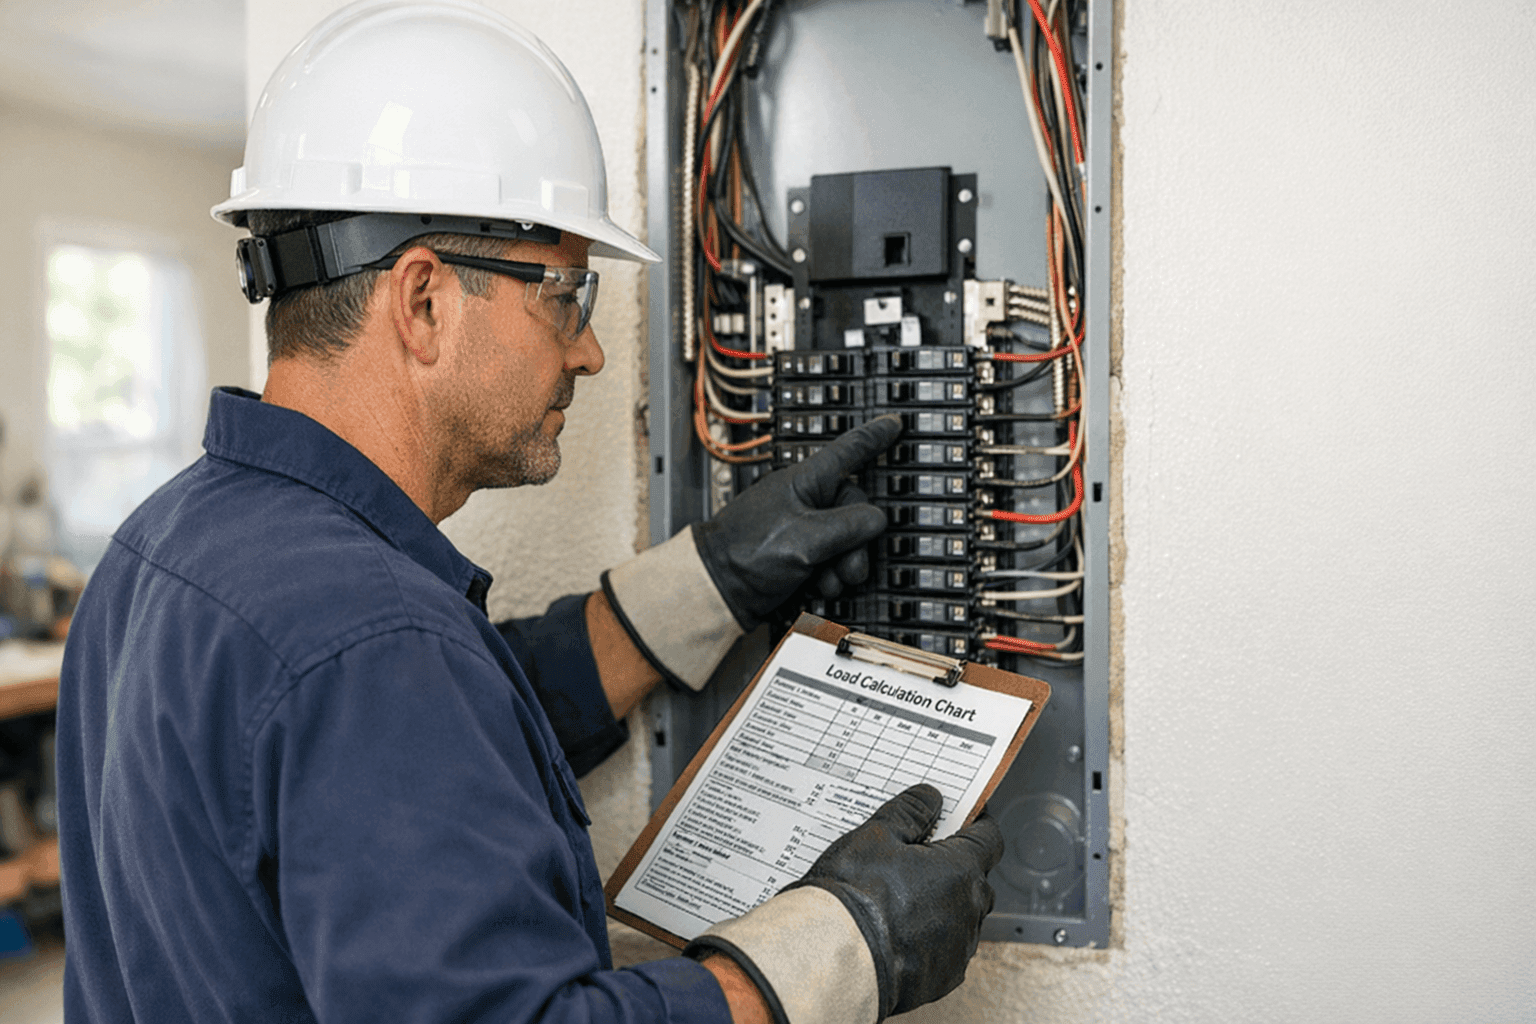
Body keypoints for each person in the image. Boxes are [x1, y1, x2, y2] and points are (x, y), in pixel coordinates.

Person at [54, 3, 1003, 1022]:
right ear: (423, 302)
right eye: (565, 296)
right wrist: (838, 947)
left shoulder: (163, 546)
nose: (588, 350)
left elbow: (405, 774)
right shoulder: (370, 641)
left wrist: (706, 581)